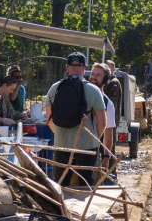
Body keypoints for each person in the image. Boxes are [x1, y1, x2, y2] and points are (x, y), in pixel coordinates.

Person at [44, 52, 106, 187]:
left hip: (61, 145)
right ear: (84, 68)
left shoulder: (55, 88)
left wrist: (60, 133)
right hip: (87, 147)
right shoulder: (94, 90)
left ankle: (62, 208)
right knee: (86, 186)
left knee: (61, 185)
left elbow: (49, 118)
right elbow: (102, 123)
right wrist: (94, 138)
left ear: (67, 67)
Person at [89, 63, 117, 171]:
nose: (93, 77)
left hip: (93, 150)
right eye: (92, 74)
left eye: (98, 75)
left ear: (105, 79)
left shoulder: (107, 104)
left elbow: (108, 132)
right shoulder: (81, 94)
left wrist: (106, 157)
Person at [103, 59, 123, 141]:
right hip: (107, 117)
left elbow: (112, 104)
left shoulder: (113, 83)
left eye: (108, 68)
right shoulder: (108, 82)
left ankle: (109, 154)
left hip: (110, 117)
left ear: (113, 69)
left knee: (109, 141)